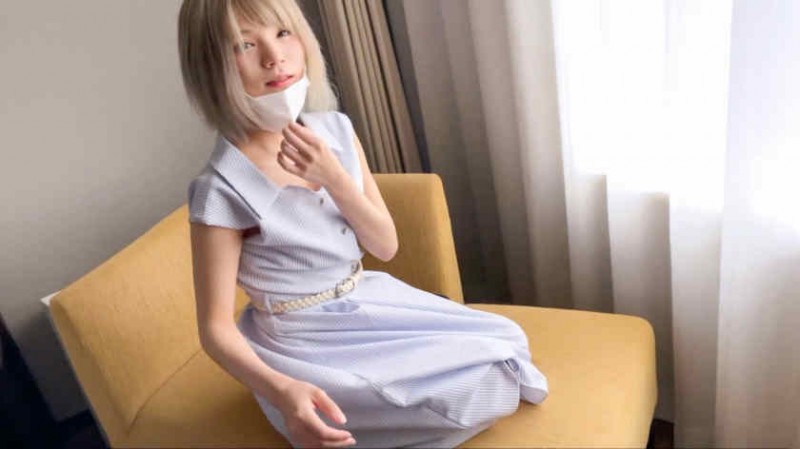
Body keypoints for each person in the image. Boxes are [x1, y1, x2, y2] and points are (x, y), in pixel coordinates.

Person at [178, 0, 548, 447]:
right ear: (211, 66)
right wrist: (282, 389)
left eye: (283, 34)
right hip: (301, 340)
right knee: (465, 394)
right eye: (244, 45)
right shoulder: (220, 188)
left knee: (508, 342)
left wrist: (333, 176)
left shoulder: (335, 130)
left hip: (366, 298)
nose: (274, 58)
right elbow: (215, 330)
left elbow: (385, 246)